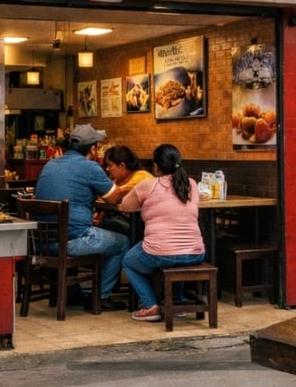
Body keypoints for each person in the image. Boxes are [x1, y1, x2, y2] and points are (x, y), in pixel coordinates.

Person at [33, 123, 129, 311]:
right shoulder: (90, 167)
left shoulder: (50, 164)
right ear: (93, 149)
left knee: (94, 230)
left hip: (42, 241)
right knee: (123, 242)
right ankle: (101, 297)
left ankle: (72, 291)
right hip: (72, 240)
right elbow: (114, 198)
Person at [121, 143, 205, 322]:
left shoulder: (148, 185)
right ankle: (176, 303)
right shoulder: (190, 183)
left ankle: (151, 305)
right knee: (177, 259)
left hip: (159, 251)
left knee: (128, 261)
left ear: (156, 166)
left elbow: (125, 206)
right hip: (195, 253)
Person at [97, 145, 153, 236]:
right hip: (129, 222)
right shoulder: (117, 181)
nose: (107, 169)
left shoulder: (141, 176)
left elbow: (116, 195)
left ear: (122, 166)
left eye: (110, 166)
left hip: (143, 227)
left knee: (106, 224)